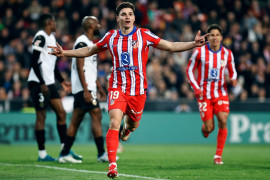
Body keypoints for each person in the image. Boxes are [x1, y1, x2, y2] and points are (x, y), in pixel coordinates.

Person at [49, 2, 209, 178]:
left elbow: (170, 46)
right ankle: (112, 166)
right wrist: (64, 52)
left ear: (133, 17)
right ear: (117, 18)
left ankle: (128, 129)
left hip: (138, 92)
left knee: (132, 125)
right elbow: (89, 50)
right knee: (114, 123)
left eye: (130, 14)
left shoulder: (144, 35)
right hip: (117, 87)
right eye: (123, 14)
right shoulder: (111, 37)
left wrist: (193, 44)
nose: (127, 17)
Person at [58, 16, 118, 163]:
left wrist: (99, 87)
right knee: (96, 114)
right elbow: (80, 66)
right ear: (91, 25)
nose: (99, 25)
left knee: (76, 121)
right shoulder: (82, 42)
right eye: (97, 23)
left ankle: (65, 153)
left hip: (86, 87)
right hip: (84, 89)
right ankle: (101, 153)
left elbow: (89, 69)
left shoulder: (90, 43)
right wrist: (86, 90)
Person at [27, 14, 80, 161]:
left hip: (50, 82)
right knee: (41, 116)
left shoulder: (52, 39)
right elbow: (34, 60)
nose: (56, 24)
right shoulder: (41, 36)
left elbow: (52, 64)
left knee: (61, 113)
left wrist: (62, 81)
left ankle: (65, 151)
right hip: (38, 82)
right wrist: (42, 82)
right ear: (49, 23)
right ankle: (42, 154)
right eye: (54, 22)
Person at [186, 24, 237, 165]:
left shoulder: (227, 53)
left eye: (217, 35)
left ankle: (218, 156)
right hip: (203, 94)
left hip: (220, 92)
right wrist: (196, 88)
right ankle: (205, 129)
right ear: (208, 37)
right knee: (209, 128)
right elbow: (189, 70)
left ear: (221, 37)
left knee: (223, 119)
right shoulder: (199, 52)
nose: (215, 38)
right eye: (212, 35)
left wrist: (233, 79)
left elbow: (233, 70)